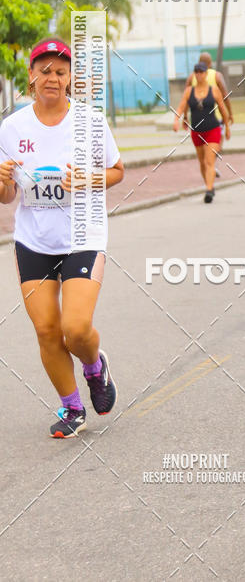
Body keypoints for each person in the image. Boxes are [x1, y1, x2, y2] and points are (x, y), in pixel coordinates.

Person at [0, 38, 124, 438]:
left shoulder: (89, 122)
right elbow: (7, 197)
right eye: (44, 70)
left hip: (83, 234)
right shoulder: (12, 128)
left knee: (75, 327)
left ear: (70, 79)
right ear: (31, 77)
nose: (52, 78)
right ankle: (72, 408)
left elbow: (117, 171)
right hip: (33, 240)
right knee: (47, 330)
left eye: (60, 71)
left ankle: (94, 367)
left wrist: (88, 179)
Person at [173, 61, 231, 202]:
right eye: (196, 72)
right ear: (194, 74)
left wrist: (227, 127)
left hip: (213, 129)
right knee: (202, 162)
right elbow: (181, 107)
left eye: (201, 72)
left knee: (209, 160)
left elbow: (223, 110)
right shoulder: (189, 91)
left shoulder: (214, 90)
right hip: (196, 132)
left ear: (206, 73)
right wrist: (176, 120)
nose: (199, 74)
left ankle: (209, 190)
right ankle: (209, 185)